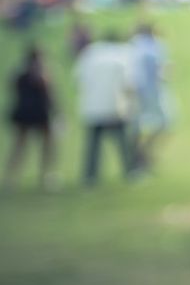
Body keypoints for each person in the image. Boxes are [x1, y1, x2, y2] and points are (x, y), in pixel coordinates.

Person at [73, 31, 138, 185]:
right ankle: (130, 171)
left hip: (92, 106)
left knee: (94, 144)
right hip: (114, 106)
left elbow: (78, 80)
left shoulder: (89, 54)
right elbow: (128, 83)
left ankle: (90, 176)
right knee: (122, 142)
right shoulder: (123, 55)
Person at [4, 46, 56, 190]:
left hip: (31, 112)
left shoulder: (20, 72)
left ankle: (43, 175)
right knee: (23, 145)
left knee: (35, 145)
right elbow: (49, 93)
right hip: (32, 112)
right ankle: (13, 178)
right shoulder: (36, 73)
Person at [130, 23, 172, 171]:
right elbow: (162, 72)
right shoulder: (154, 47)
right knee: (166, 123)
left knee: (136, 128)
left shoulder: (133, 46)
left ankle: (140, 157)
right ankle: (143, 156)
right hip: (152, 93)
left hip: (134, 93)